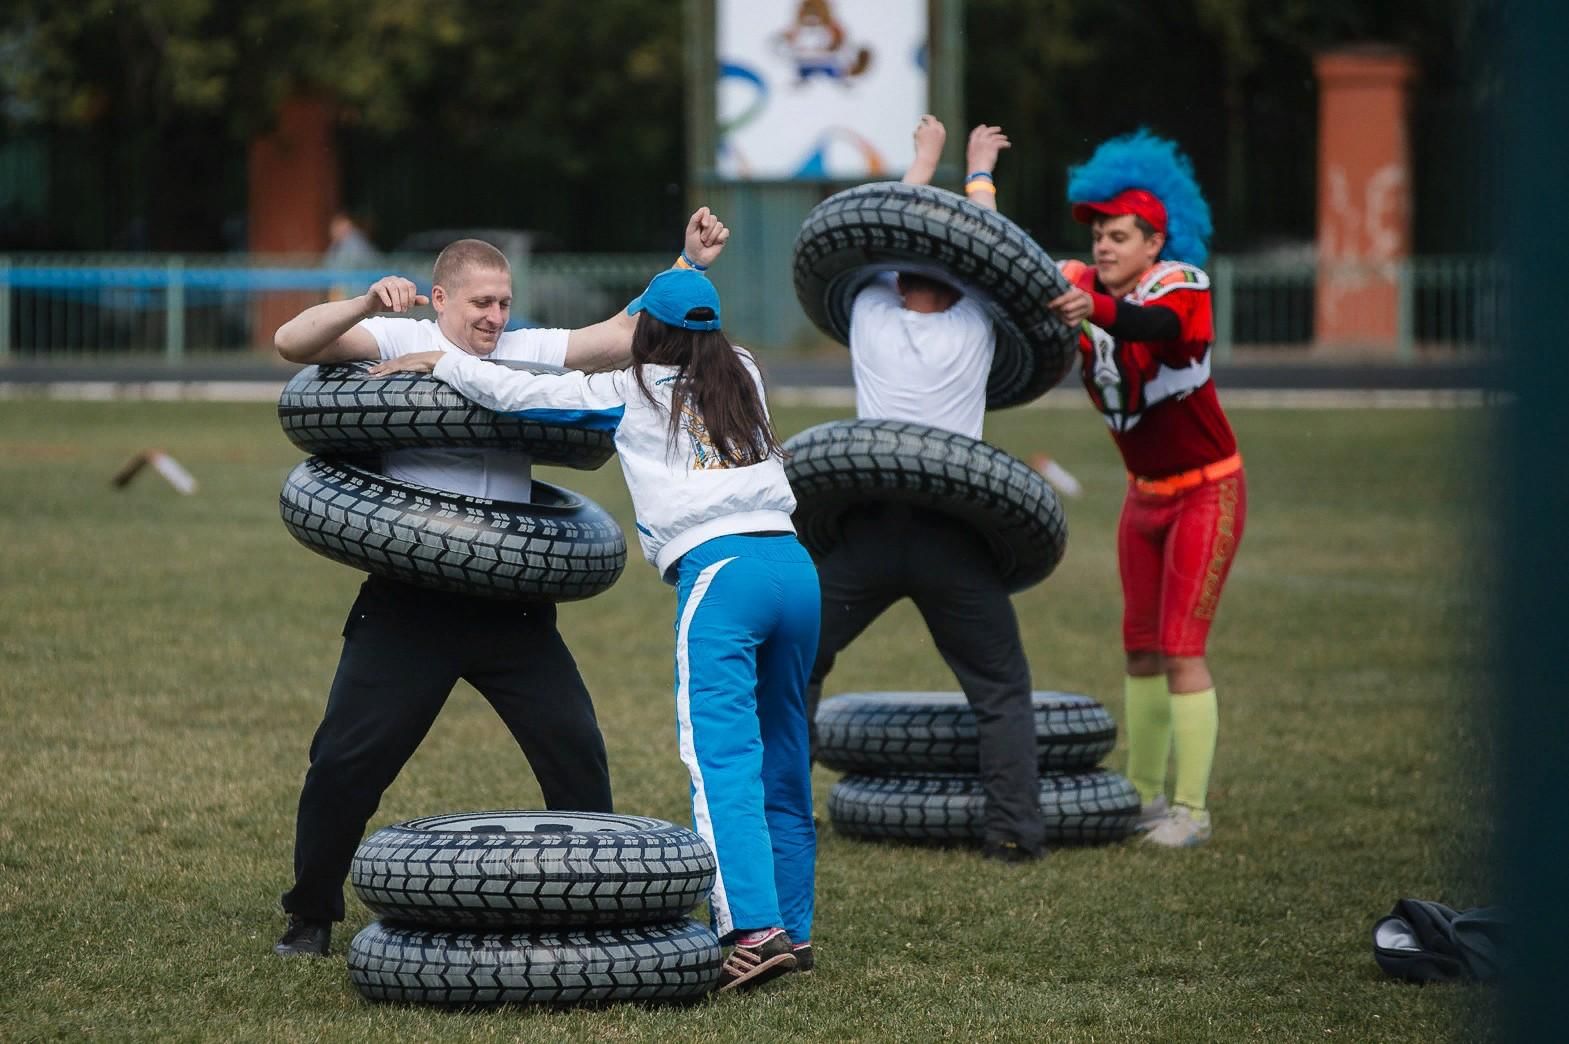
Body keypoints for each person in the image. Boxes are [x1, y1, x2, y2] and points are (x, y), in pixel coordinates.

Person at [268, 208, 732, 958]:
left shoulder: (524, 350)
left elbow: (617, 334)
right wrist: (361, 301)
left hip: (513, 604)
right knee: (347, 761)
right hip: (409, 601)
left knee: (575, 750)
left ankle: (600, 904)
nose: (494, 316)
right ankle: (310, 913)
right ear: (441, 298)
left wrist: (686, 264)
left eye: (503, 302)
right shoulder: (400, 338)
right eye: (480, 302)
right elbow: (292, 343)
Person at [370, 267, 819, 993]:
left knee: (721, 759)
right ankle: (791, 928)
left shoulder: (629, 390)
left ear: (647, 335)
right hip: (793, 567)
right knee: (783, 750)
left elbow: (523, 392)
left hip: (722, 572)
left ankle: (750, 930)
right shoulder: (744, 370)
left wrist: (443, 360)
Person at [805, 114, 1048, 863]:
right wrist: (978, 172)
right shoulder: (977, 320)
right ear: (960, 284)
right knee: (1000, 687)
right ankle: (1012, 834)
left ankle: (779, 809)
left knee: (797, 663)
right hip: (956, 530)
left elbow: (885, 228)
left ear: (895, 276)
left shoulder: (869, 313)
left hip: (867, 526)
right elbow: (992, 251)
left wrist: (922, 160)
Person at [1045, 130, 1245, 848]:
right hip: (1144, 492)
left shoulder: (1179, 284)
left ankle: (1190, 810)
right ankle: (1140, 792)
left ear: (1154, 243)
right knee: (1137, 647)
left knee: (1180, 645)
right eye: (1098, 232)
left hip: (1204, 489)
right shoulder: (1083, 284)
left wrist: (1089, 310)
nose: (1102, 245)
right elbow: (1000, 263)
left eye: (1119, 234)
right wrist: (977, 178)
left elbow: (1152, 324)